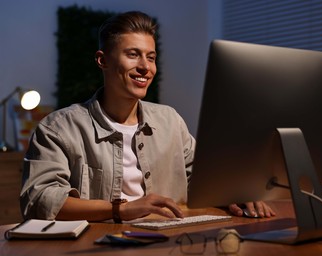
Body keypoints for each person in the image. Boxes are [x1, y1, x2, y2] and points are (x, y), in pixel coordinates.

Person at [20, 11, 275, 223]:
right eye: (133, 54)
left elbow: (201, 178)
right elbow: (39, 200)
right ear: (103, 60)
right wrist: (120, 209)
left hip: (170, 241)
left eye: (151, 57)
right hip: (97, 246)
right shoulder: (58, 128)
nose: (145, 67)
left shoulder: (170, 120)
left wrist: (233, 192)